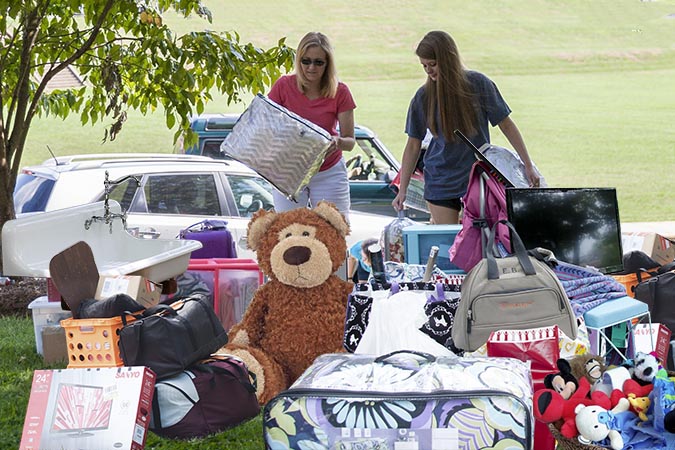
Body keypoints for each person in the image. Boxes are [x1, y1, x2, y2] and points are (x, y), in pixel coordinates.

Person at [392, 30, 540, 225]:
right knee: (448, 244)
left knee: (480, 243)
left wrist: (528, 165)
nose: (428, 71)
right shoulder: (423, 96)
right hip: (439, 182)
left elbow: (506, 125)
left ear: (448, 59)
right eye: (424, 66)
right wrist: (403, 190)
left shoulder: (479, 84)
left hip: (477, 180)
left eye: (433, 64)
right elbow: (413, 145)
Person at [268, 32, 356, 220]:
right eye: (305, 61)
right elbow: (266, 124)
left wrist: (338, 141)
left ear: (327, 64)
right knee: (289, 229)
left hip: (328, 169)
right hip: (288, 169)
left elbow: (350, 141)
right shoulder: (284, 85)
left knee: (334, 229)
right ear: (298, 61)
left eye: (318, 62)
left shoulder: (340, 91)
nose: (311, 67)